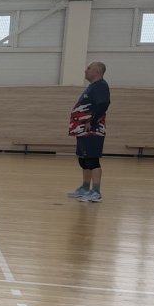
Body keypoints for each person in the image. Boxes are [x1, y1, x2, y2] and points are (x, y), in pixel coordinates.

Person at [68, 61, 110, 204]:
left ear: (97, 72)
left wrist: (92, 122)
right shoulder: (92, 87)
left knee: (92, 160)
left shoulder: (100, 86)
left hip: (92, 131)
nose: (86, 71)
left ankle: (96, 192)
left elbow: (104, 103)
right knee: (83, 160)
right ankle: (85, 188)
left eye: (89, 68)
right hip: (83, 131)